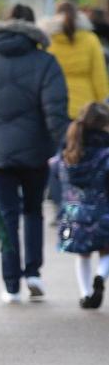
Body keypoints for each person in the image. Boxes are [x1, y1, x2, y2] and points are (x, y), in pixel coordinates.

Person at [0, 4, 70, 303]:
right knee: (33, 212)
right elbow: (55, 111)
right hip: (36, 151)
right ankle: (34, 273)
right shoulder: (46, 62)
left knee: (6, 215)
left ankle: (11, 284)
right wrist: (64, 146)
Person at [55, 102, 109, 309]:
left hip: (74, 213)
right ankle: (100, 276)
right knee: (106, 252)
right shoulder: (105, 151)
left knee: (83, 254)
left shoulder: (69, 148)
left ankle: (85, 294)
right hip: (103, 211)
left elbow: (57, 174)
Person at [44, 0, 109, 121]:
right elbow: (99, 77)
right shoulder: (91, 40)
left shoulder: (48, 40)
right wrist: (104, 106)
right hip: (85, 110)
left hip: (54, 106)